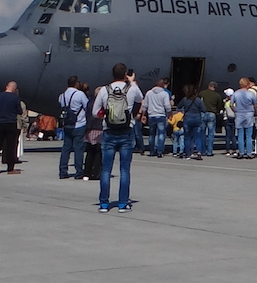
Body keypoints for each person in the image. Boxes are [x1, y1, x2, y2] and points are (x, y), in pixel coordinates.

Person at [92, 63, 135, 212]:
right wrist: (132, 82)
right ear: (125, 74)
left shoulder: (105, 90)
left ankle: (104, 204)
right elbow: (141, 99)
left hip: (109, 131)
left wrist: (107, 114)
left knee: (105, 170)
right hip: (126, 132)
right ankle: (123, 203)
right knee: (124, 169)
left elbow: (94, 112)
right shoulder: (132, 89)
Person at [58, 75, 88, 179]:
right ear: (76, 83)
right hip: (79, 124)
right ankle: (79, 171)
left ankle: (63, 171)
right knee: (78, 149)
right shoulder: (80, 94)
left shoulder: (62, 96)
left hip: (67, 125)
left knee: (66, 148)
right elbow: (86, 106)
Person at [0, 81, 24, 174]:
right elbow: (20, 111)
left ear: (6, 87)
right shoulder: (15, 98)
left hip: (1, 122)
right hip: (11, 123)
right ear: (14, 89)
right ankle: (10, 168)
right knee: (11, 146)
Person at [142, 78, 172, 158]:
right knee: (161, 134)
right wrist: (170, 114)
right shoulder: (164, 94)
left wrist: (143, 115)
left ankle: (152, 151)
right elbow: (167, 106)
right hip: (161, 115)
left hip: (151, 116)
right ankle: (160, 151)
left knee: (152, 134)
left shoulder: (149, 93)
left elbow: (145, 105)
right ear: (162, 85)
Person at [177, 84, 206, 161]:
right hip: (197, 118)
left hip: (188, 119)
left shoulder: (185, 99)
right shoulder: (198, 100)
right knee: (197, 137)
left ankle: (187, 154)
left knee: (187, 137)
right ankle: (199, 152)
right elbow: (204, 109)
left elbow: (178, 107)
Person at [231, 78, 257, 159]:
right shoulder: (250, 94)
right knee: (249, 135)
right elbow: (255, 105)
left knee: (240, 135)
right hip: (249, 114)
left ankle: (241, 152)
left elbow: (231, 104)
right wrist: (255, 112)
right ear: (247, 84)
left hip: (239, 114)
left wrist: (235, 111)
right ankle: (249, 153)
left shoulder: (236, 93)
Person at [198, 81, 222, 157]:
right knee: (211, 134)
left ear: (209, 86)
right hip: (212, 113)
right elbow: (219, 106)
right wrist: (217, 112)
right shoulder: (217, 95)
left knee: (202, 133)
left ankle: (202, 150)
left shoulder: (202, 93)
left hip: (203, 113)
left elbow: (198, 102)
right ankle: (209, 151)